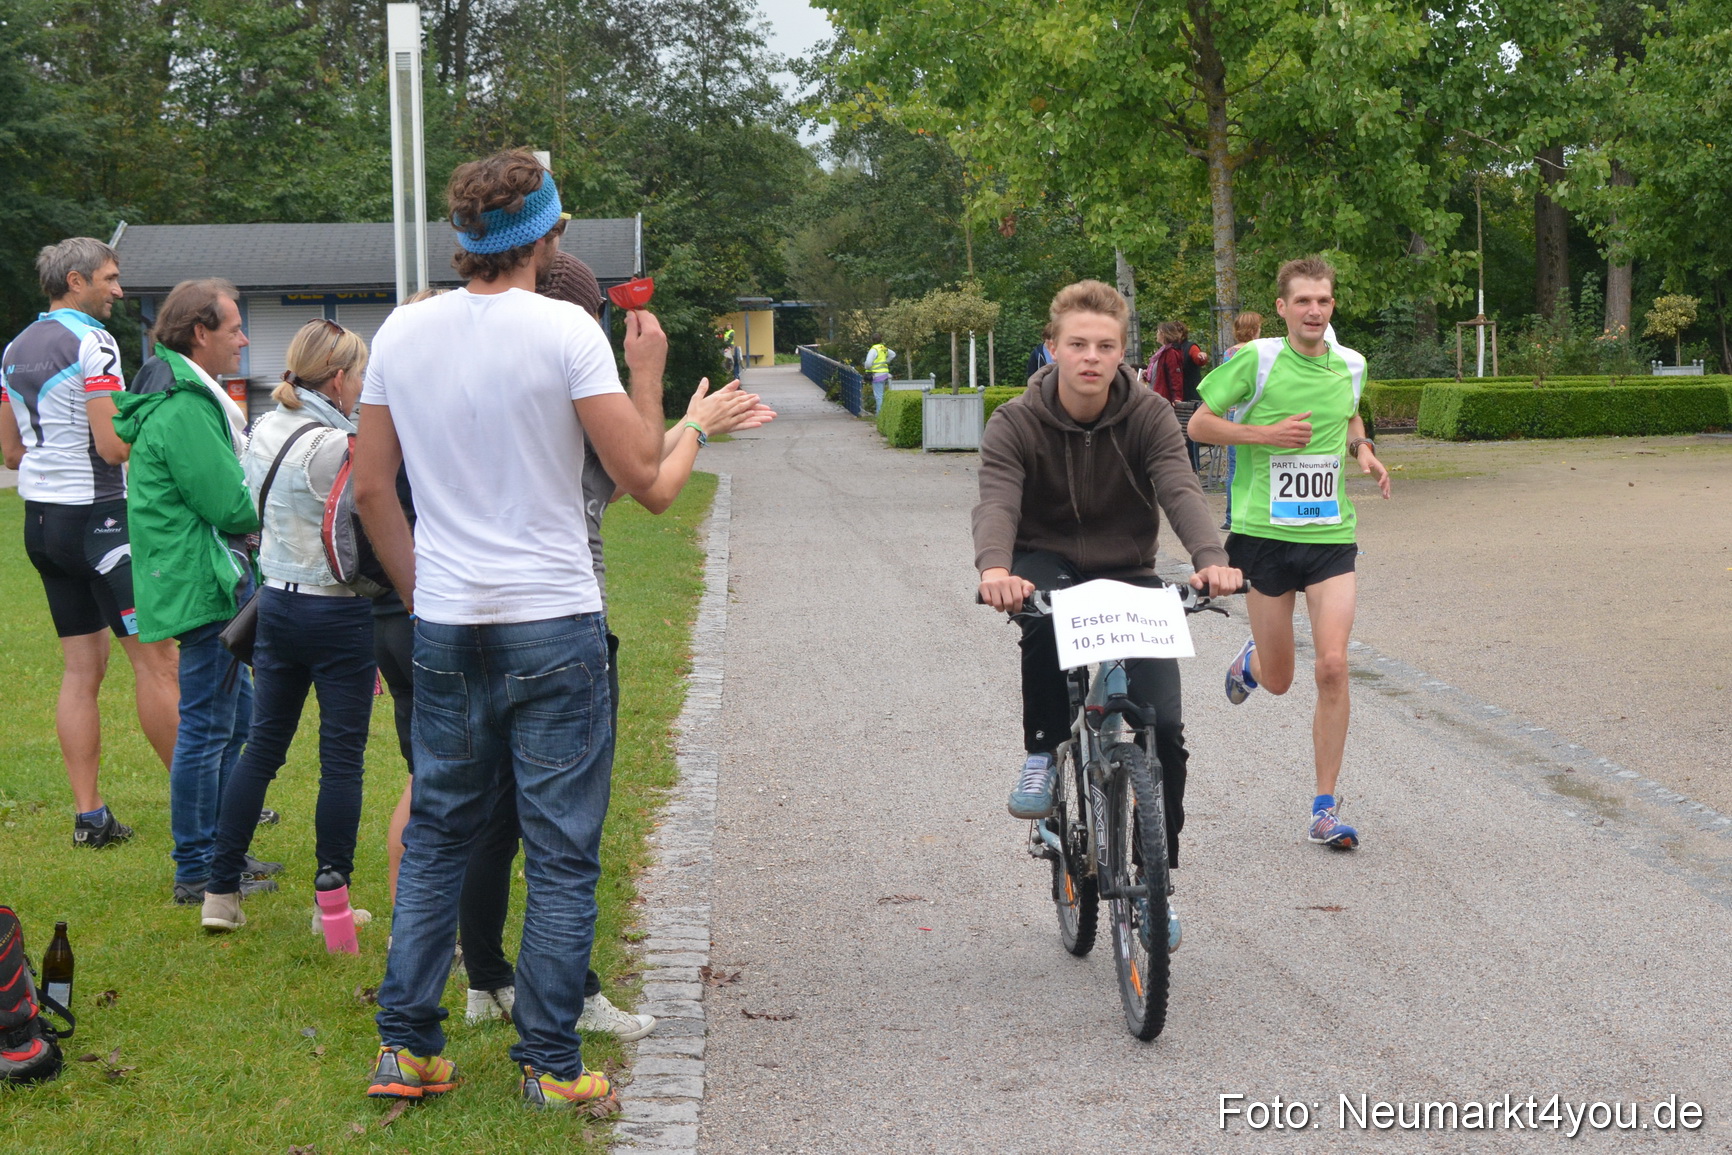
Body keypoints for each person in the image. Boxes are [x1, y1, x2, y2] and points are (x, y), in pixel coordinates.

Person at [354, 149, 663, 1111]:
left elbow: (371, 489)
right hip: (553, 617)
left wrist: (424, 594)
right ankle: (552, 1062)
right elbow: (645, 476)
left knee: (440, 833)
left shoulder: (402, 331)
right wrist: (651, 378)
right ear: (548, 235)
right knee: (561, 848)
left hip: (448, 621)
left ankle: (408, 1049)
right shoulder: (567, 331)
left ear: (463, 238)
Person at [456, 249, 773, 1040]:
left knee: (488, 815)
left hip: (472, 619)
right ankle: (568, 998)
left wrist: (682, 426)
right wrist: (690, 419)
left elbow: (611, 479)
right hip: (562, 625)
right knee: (564, 828)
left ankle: (483, 977)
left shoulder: (489, 390)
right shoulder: (572, 390)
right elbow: (648, 482)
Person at [974, 280, 1241, 952]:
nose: (1090, 357)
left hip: (1127, 570)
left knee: (1165, 726)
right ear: (1052, 347)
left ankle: (1157, 880)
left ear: (1123, 352)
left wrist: (1211, 559)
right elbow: (998, 499)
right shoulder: (1015, 421)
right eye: (1077, 344)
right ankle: (1043, 753)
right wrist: (995, 569)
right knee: (1043, 616)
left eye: (1104, 345)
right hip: (1043, 560)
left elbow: (1179, 486)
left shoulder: (1149, 415)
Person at [1186, 256, 1390, 851]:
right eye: (1303, 301)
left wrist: (1363, 449)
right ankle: (1252, 664)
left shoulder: (1351, 363)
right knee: (1279, 681)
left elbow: (1349, 413)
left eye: (1323, 300)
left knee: (1333, 666)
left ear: (1332, 305)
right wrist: (1263, 436)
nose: (1314, 310)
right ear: (1282, 307)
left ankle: (1324, 807)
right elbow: (1199, 424)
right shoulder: (1257, 359)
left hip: (1330, 537)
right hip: (1263, 536)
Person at [199, 320, 377, 934]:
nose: (363, 385)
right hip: (338, 610)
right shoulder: (334, 444)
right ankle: (333, 904)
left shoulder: (264, 427)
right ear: (338, 378)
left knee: (262, 750)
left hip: (275, 602)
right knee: (342, 759)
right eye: (359, 374)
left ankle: (219, 891)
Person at [0, 237, 179, 848]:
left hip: (42, 524)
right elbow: (110, 446)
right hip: (99, 518)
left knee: (81, 671)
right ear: (75, 281)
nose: (119, 291)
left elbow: (11, 452)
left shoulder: (15, 346)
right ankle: (205, 801)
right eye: (110, 278)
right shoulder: (93, 341)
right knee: (157, 662)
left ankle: (90, 817)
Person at [112, 278, 281, 904]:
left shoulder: (183, 394)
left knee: (236, 720)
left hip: (200, 577)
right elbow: (229, 503)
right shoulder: (184, 406)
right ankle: (197, 868)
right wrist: (272, 500)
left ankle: (220, 850)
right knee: (209, 728)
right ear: (200, 333)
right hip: (204, 583)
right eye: (235, 328)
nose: (244, 339)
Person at [1147, 320, 1210, 471]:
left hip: (1180, 397)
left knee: (1183, 434)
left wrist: (1177, 397)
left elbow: (1176, 375)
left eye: (1159, 332)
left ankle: (1188, 467)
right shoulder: (1163, 352)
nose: (1156, 334)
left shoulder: (1177, 351)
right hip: (1169, 396)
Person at [864, 337, 895, 411]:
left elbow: (868, 363)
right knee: (881, 395)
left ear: (872, 340)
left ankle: (879, 414)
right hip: (884, 374)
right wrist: (886, 361)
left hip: (877, 375)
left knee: (878, 396)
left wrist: (867, 368)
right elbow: (893, 354)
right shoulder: (883, 348)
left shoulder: (873, 350)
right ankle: (883, 412)